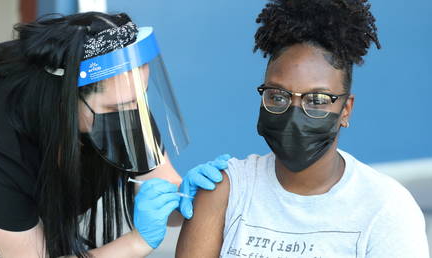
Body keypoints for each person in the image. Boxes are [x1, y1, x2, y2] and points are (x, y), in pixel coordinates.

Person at [176, 0, 430, 257]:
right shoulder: (226, 191)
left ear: (346, 109)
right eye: (278, 96)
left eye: (317, 100)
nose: (295, 115)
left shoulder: (385, 209)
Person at [0, 12, 228, 257]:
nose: (133, 115)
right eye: (115, 108)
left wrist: (190, 196)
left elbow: (160, 186)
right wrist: (137, 242)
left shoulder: (125, 105)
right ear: (66, 100)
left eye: (140, 97)